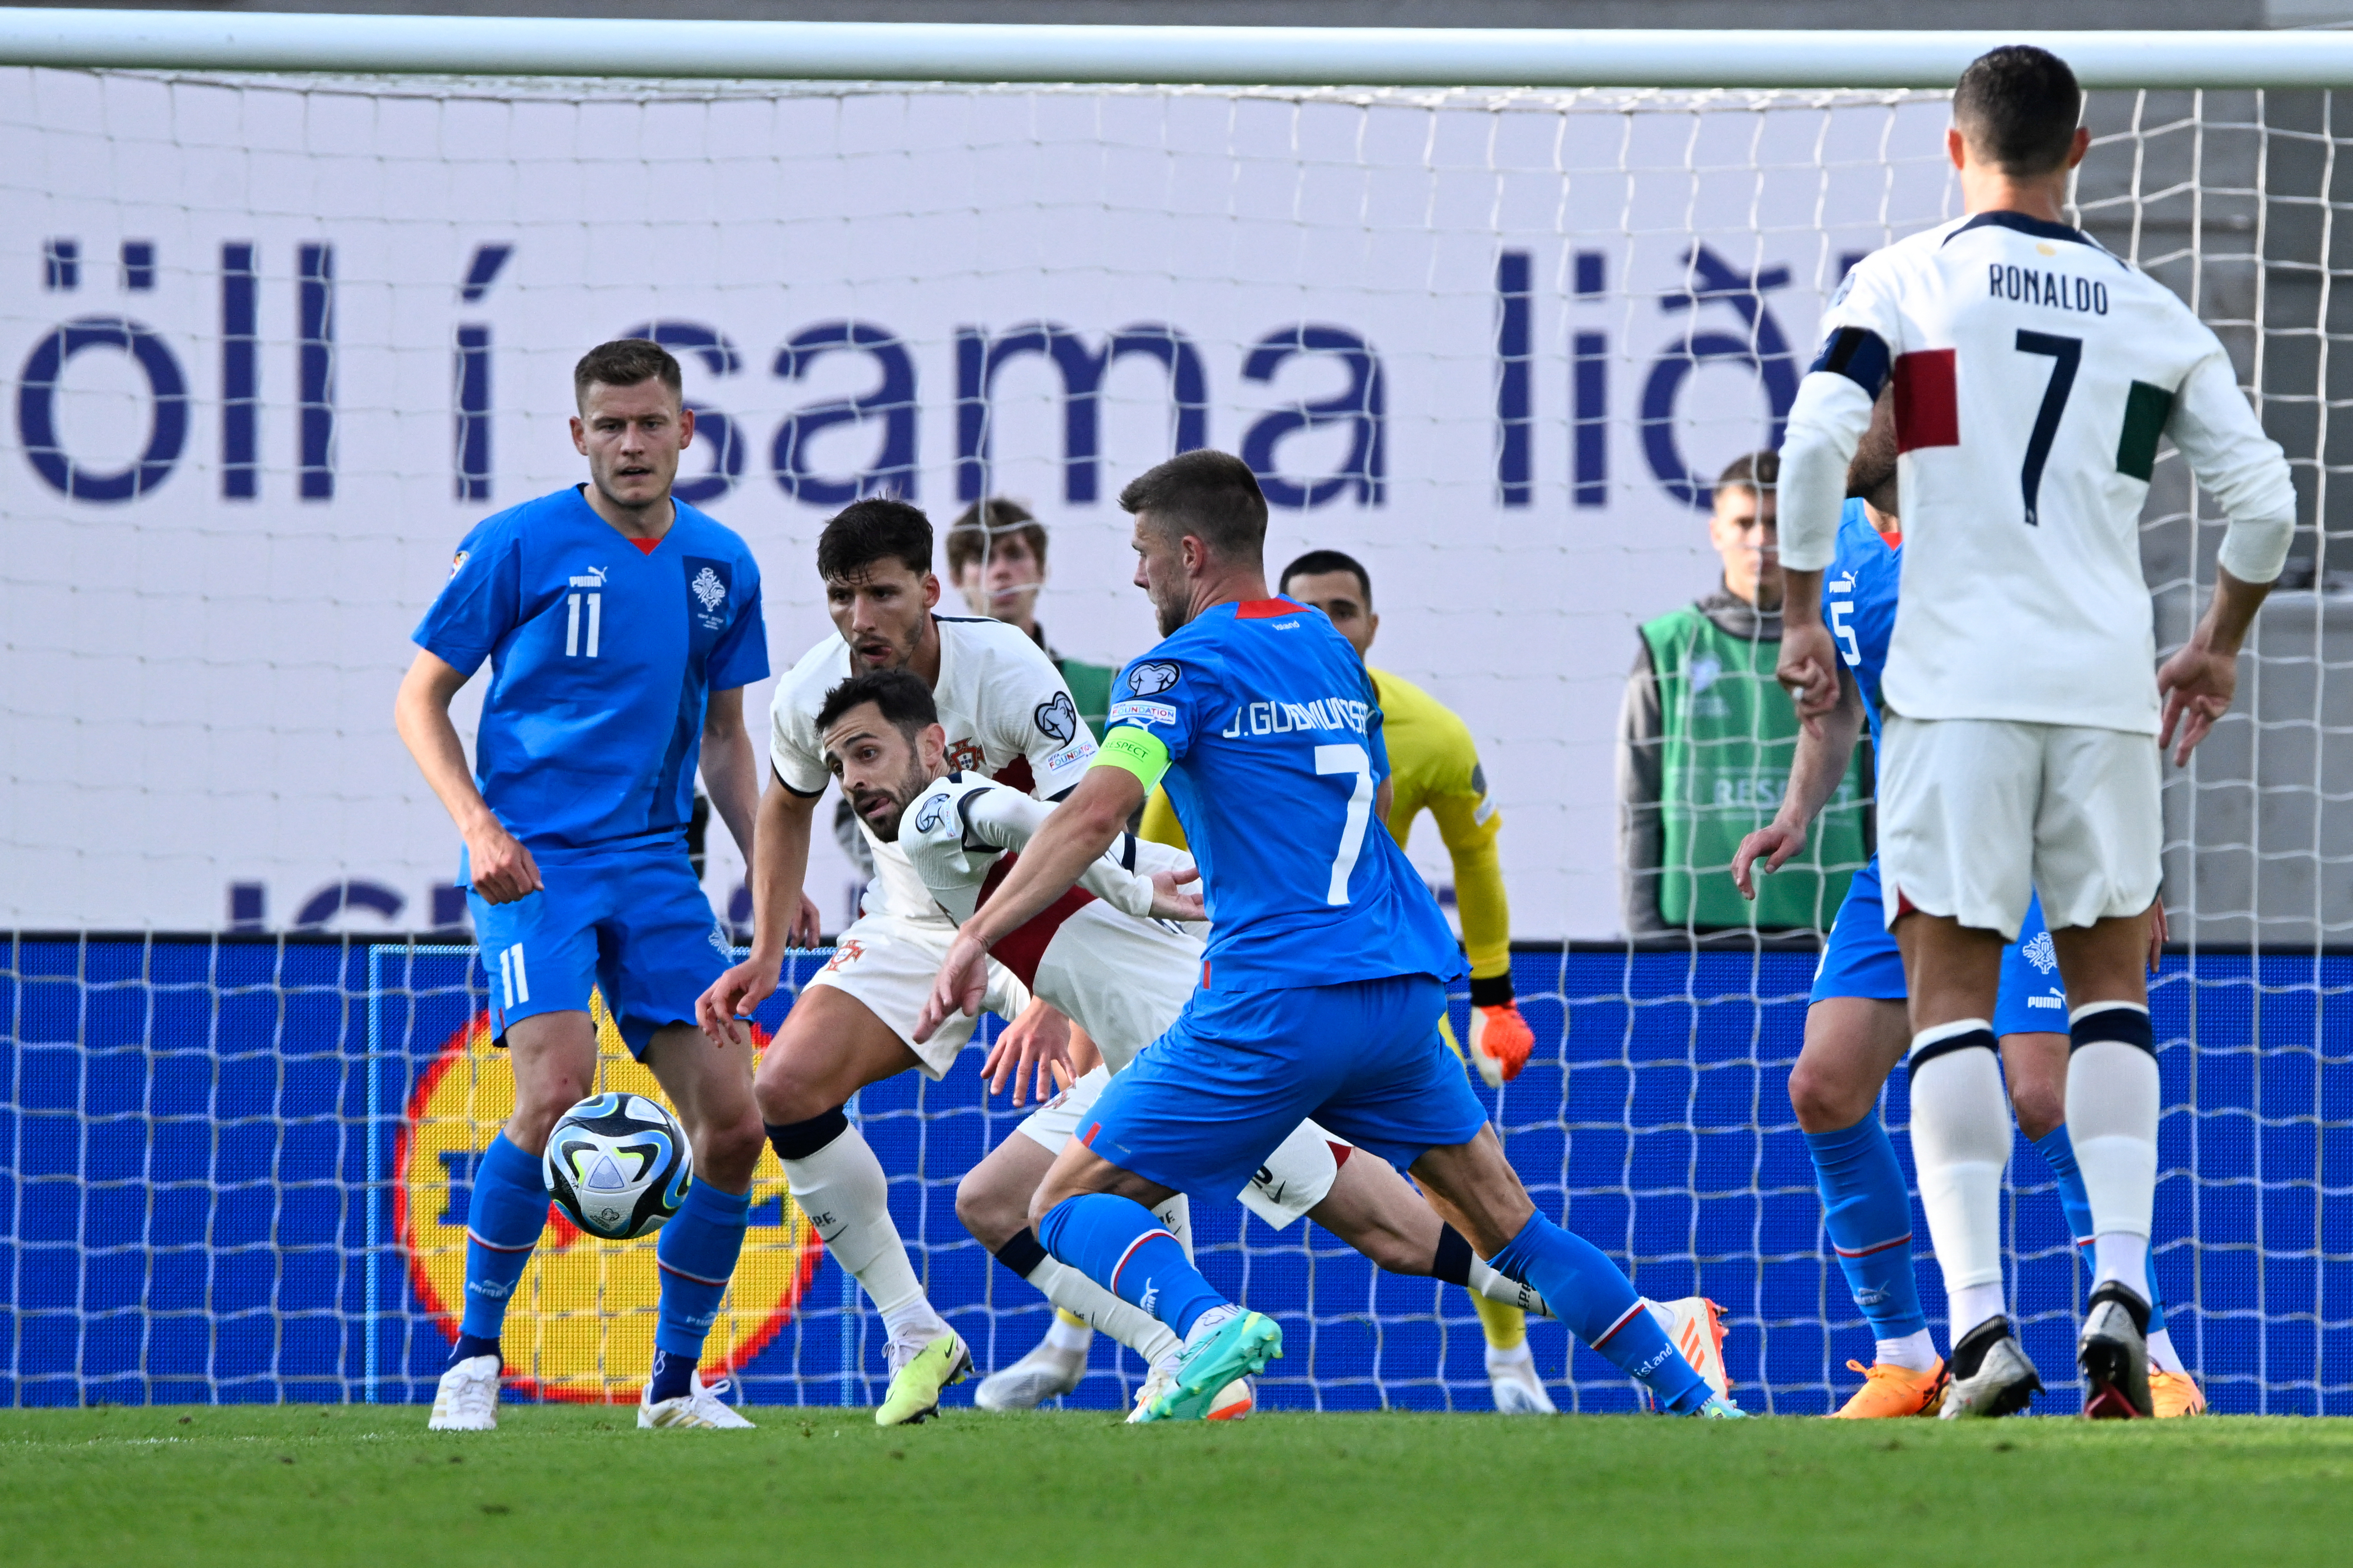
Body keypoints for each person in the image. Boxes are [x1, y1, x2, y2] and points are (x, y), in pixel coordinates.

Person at [917, 448, 1744, 1422]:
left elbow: (1099, 812)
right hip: (1397, 990)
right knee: (1512, 1228)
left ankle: (1204, 1327)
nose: (1137, 575)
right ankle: (1694, 1396)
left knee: (1059, 1202)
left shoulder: (1174, 669)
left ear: (1189, 551)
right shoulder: (1327, 647)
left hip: (1274, 1000)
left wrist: (976, 934)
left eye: (1143, 553)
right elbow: (1382, 796)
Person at [1776, 44, 2292, 1418]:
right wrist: (2215, 645)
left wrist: (1795, 608)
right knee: (2108, 996)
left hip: (1955, 688)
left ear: (1956, 151)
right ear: (2080, 152)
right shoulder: (2148, 306)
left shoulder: (1906, 279)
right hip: (2104, 688)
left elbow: (1819, 436)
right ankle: (2119, 1290)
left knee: (1947, 1002)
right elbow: (2266, 502)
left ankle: (1976, 1328)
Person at [803, 670, 1703, 1419]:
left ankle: (1204, 1337)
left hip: (1202, 1040)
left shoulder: (938, 811)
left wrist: (1130, 888)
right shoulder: (940, 857)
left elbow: (1034, 819)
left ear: (933, 748)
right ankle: (1182, 1347)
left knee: (1392, 1230)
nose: (854, 779)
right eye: (839, 765)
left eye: (868, 752)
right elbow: (1068, 876)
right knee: (999, 1198)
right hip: (1157, 1038)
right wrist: (1105, 911)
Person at [1735, 386, 2199, 1418]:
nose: (1834, 436)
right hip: (1906, 847)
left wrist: (2133, 858)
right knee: (1824, 1087)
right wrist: (1797, 815)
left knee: (2042, 1091)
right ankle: (1909, 1354)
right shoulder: (1840, 542)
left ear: (1916, 410)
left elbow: (2101, 678)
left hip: (2031, 838)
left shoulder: (2001, 523)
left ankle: (2151, 1354)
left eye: (1858, 412)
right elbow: (1838, 705)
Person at [393, 338, 769, 1432]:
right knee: (553, 1090)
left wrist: (765, 865)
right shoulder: (520, 543)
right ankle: (472, 1361)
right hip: (535, 866)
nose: (633, 443)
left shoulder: (721, 565)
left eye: (652, 422)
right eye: (610, 425)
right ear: (578, 437)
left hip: (656, 866)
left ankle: (674, 1385)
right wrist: (477, 826)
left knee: (737, 1126)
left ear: (687, 430)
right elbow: (420, 698)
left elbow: (728, 740)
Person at [696, 498, 1094, 1427]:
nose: (858, 619)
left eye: (879, 593)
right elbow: (786, 804)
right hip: (917, 926)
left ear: (929, 588)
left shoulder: (1005, 666)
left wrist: (1051, 983)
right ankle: (916, 1332)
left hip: (1051, 920)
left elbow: (1088, 819)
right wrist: (762, 947)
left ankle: (1176, 1344)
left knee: (1121, 1107)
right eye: (841, 597)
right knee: (784, 1087)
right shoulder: (809, 691)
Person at [1142, 546, 1561, 1413]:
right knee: (1128, 1149)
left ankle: (1512, 1361)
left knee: (1470, 1183)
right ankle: (1110, 1341)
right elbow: (1149, 837)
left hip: (1370, 978)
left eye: (1345, 609)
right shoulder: (1212, 698)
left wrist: (1493, 996)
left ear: (1373, 624)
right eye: (1310, 607)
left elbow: (1477, 862)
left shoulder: (1431, 732)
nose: (1328, 624)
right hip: (1241, 978)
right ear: (1278, 611)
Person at [1618, 451, 1867, 939]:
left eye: (1778, 524)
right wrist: (1645, 936)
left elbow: (1881, 789)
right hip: (1691, 931)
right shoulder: (1668, 645)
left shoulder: (1847, 639)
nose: (1762, 541)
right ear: (1716, 533)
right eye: (1744, 523)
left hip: (1834, 926)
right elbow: (1637, 804)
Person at [946, 498, 1119, 738]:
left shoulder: (1105, 690)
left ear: (1042, 571)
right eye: (982, 557)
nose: (1001, 571)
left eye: (1015, 555)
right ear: (956, 578)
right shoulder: (928, 693)